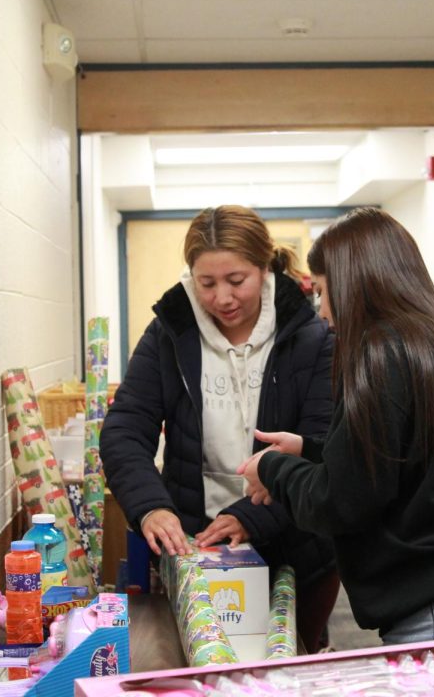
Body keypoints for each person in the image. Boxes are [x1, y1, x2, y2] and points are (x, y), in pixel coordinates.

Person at [239, 206, 434, 644]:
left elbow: (340, 503)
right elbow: (401, 463)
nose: (324, 312)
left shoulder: (380, 354)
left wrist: (270, 469)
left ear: (354, 284)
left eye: (325, 292)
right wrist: (308, 451)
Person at [100, 205, 339, 653]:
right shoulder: (169, 334)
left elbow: (321, 447)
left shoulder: (312, 336)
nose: (222, 298)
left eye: (236, 281)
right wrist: (150, 507)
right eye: (206, 283)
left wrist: (253, 516)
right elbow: (125, 430)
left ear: (265, 268)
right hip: (197, 546)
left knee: (286, 665)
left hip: (295, 547)